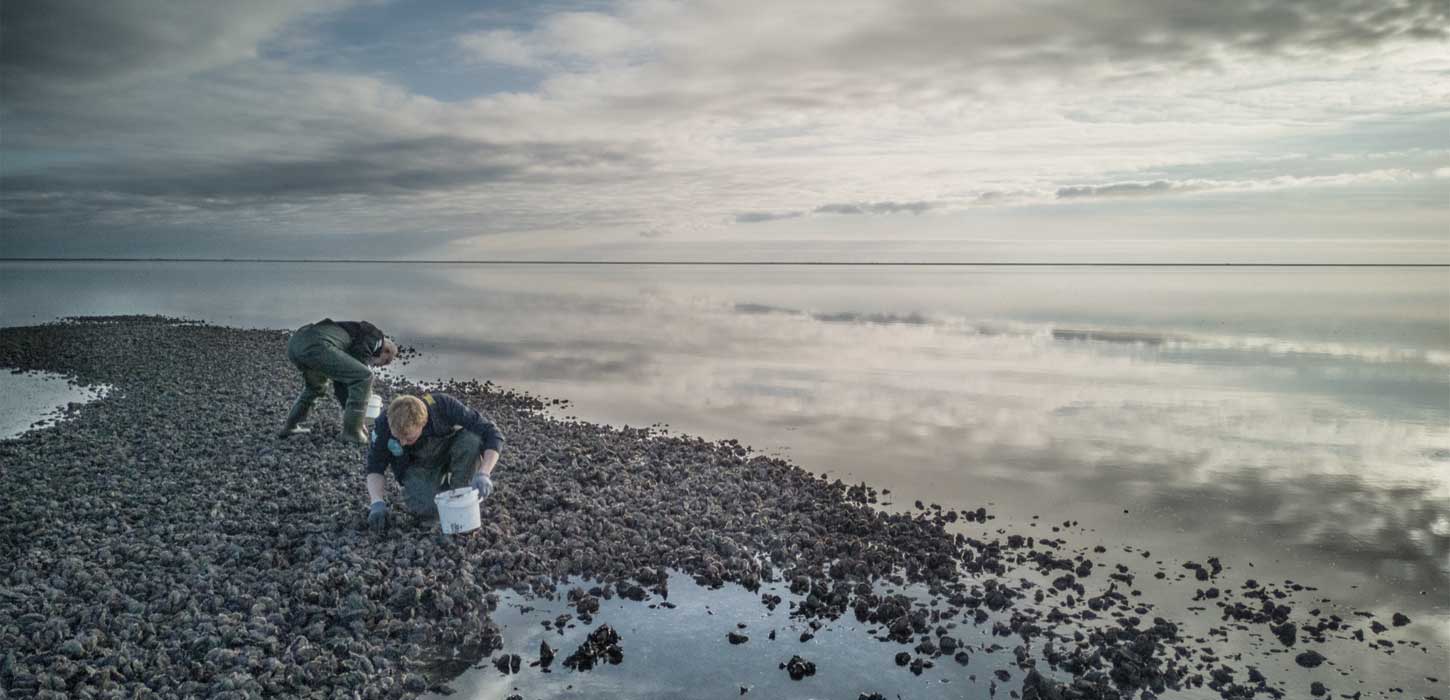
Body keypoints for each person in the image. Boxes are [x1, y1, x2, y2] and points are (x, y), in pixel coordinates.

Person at [364, 392, 504, 531]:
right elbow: (375, 467)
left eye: (408, 438)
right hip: (417, 467)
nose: (402, 442)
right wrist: (377, 502)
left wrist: (484, 473)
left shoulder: (443, 406)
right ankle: (440, 492)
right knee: (429, 510)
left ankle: (462, 493)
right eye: (398, 437)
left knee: (472, 440)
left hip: (450, 451)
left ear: (423, 423)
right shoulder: (383, 424)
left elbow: (492, 433)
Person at [279, 318, 399, 443]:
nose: (379, 366)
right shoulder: (376, 338)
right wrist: (363, 405)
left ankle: (291, 426)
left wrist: (356, 419)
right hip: (318, 345)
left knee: (316, 387)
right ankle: (352, 434)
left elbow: (342, 382)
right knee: (365, 376)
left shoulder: (357, 336)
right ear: (386, 350)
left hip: (296, 344)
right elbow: (359, 365)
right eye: (385, 361)